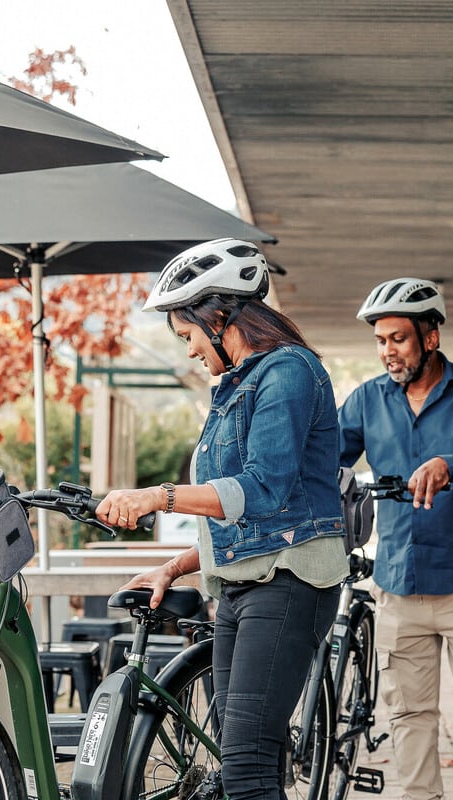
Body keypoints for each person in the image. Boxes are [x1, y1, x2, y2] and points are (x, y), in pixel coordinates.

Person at [96, 238, 349, 800]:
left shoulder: (288, 373)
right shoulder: (237, 387)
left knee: (247, 770)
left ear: (219, 315)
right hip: (240, 588)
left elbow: (262, 489)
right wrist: (177, 565)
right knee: (243, 765)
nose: (189, 350)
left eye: (186, 335)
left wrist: (157, 497)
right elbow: (240, 518)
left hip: (287, 587)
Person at [338, 277, 453, 800]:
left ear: (430, 338)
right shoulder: (366, 401)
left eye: (398, 339)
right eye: (381, 340)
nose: (388, 351)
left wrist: (448, 464)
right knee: (409, 712)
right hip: (397, 579)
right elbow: (329, 461)